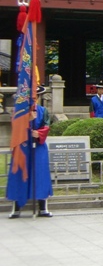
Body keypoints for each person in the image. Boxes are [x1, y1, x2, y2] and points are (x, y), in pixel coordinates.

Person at [7, 86, 54, 218]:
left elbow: (46, 125)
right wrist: (27, 120)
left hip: (38, 146)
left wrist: (39, 133)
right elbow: (15, 127)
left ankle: (42, 207)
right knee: (19, 175)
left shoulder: (43, 111)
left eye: (35, 97)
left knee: (40, 175)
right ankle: (16, 208)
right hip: (22, 147)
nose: (33, 99)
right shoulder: (19, 111)